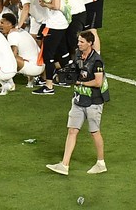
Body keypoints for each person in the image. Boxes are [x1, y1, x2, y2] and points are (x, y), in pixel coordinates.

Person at [45, 31, 109, 176]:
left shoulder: (97, 61)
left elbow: (98, 82)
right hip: (79, 99)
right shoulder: (78, 54)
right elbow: (75, 67)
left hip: (94, 101)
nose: (78, 44)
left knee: (94, 132)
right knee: (72, 130)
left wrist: (79, 81)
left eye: (81, 42)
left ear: (90, 43)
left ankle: (101, 163)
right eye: (78, 41)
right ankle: (64, 165)